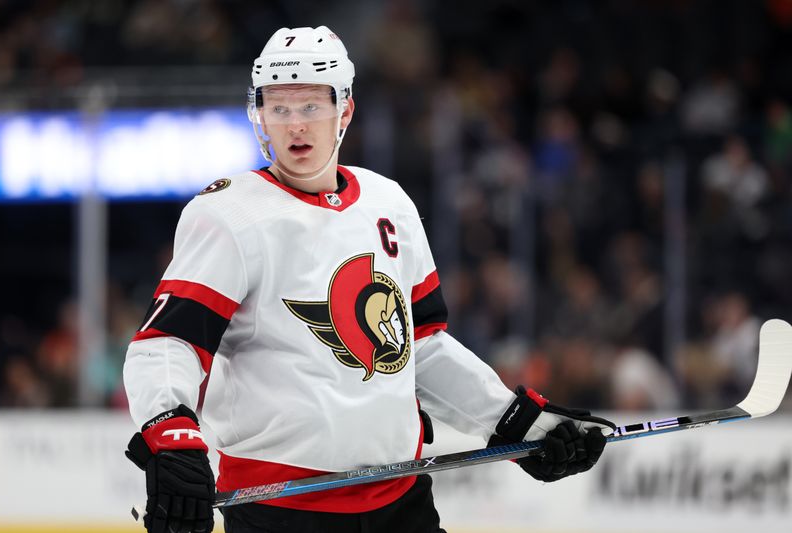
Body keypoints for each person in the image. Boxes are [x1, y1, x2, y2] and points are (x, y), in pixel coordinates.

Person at [123, 25, 615, 533]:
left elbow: (421, 348)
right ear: (258, 114)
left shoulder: (389, 204)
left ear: (345, 110)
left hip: (401, 503)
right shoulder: (229, 215)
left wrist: (518, 425)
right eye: (280, 107)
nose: (295, 126)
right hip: (283, 513)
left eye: (311, 106)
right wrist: (171, 431)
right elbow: (167, 343)